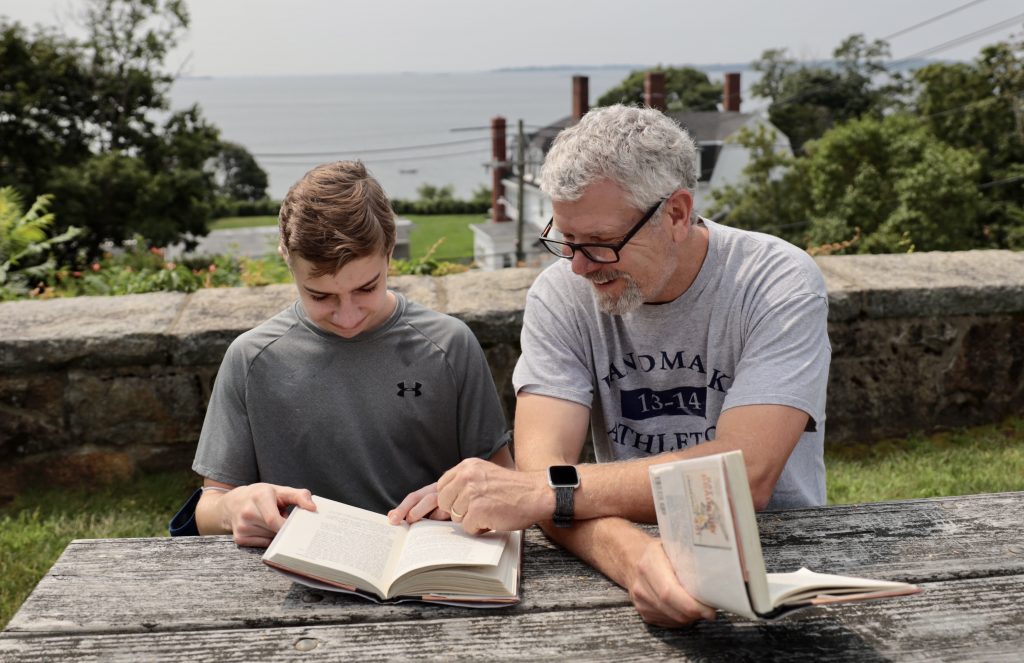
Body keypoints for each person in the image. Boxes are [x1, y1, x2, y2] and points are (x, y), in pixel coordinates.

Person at [391, 105, 831, 627]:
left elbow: (742, 476)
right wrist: (636, 558)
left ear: (676, 213)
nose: (577, 266)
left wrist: (546, 494)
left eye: (599, 244)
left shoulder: (775, 282)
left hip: (780, 561)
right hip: (621, 558)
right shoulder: (560, 294)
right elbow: (541, 474)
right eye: (565, 240)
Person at [169, 160, 511, 546]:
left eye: (367, 288)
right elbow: (209, 505)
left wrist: (461, 500)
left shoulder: (450, 345)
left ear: (390, 248)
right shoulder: (250, 359)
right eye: (320, 296)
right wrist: (234, 509)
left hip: (428, 570)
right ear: (287, 257)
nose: (347, 317)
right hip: (290, 575)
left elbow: (504, 486)